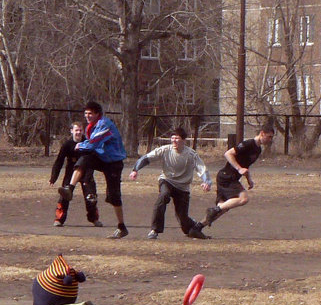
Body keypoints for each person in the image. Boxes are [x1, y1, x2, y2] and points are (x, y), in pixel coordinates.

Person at [189, 122, 275, 237]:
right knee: (243, 199)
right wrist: (239, 168)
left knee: (223, 209)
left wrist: (249, 179)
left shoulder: (258, 150)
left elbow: (246, 166)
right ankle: (214, 209)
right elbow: (228, 154)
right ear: (262, 133)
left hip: (231, 178)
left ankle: (196, 228)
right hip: (226, 176)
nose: (270, 139)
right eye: (269, 136)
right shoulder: (248, 144)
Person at [58, 101, 128, 239]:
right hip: (102, 158)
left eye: (90, 113)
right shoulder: (92, 126)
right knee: (84, 160)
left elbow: (94, 143)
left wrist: (80, 145)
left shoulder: (104, 124)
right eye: (85, 113)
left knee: (114, 196)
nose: (87, 116)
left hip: (113, 162)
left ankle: (121, 227)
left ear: (97, 114)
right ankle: (70, 189)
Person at [128, 126, 211, 240]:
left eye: (177, 138)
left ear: (184, 140)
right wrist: (135, 170)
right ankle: (154, 230)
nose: (174, 141)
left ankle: (192, 225)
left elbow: (202, 169)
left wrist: (206, 182)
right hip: (167, 180)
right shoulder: (165, 149)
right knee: (163, 196)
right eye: (172, 138)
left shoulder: (191, 154)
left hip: (183, 186)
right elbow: (146, 158)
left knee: (183, 218)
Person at [50, 121, 102, 228]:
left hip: (86, 173)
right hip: (71, 173)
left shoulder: (87, 143)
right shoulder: (67, 145)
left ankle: (94, 219)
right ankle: (59, 219)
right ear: (71, 131)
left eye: (80, 130)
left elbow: (93, 161)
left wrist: (88, 178)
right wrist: (53, 177)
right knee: (64, 196)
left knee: (91, 197)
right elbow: (59, 161)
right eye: (76, 130)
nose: (78, 132)